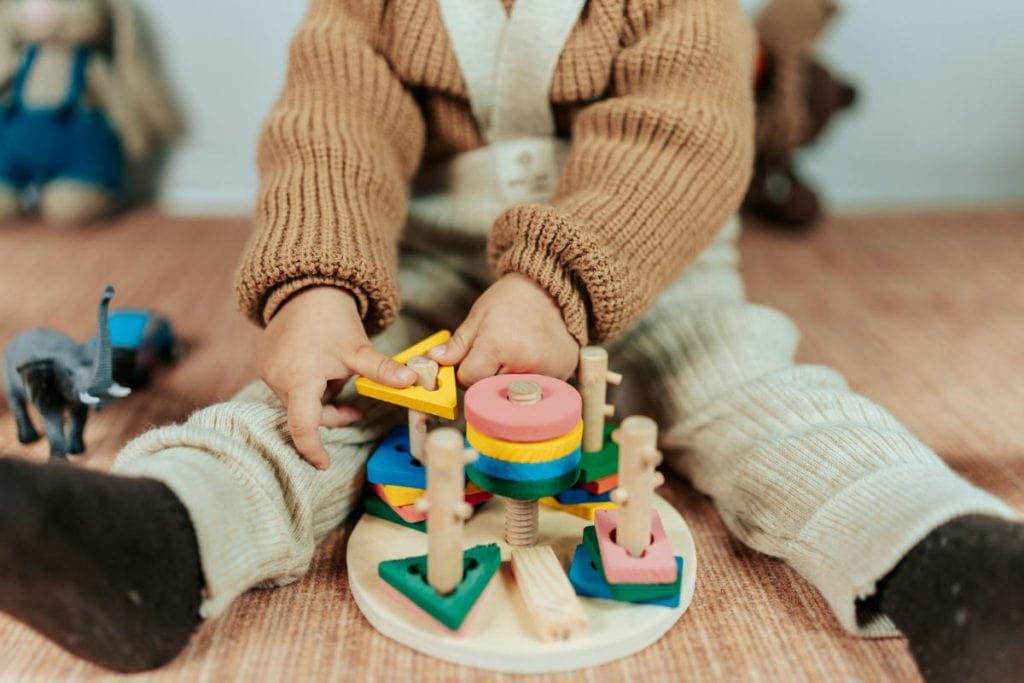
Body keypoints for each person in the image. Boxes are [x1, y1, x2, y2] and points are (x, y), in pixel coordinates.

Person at [0, 1, 1020, 680]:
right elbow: (331, 125)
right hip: (425, 264)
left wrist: (556, 283)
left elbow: (684, 131)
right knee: (320, 409)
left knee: (752, 388)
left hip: (643, 270)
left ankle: (945, 553)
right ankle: (163, 538)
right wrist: (316, 286)